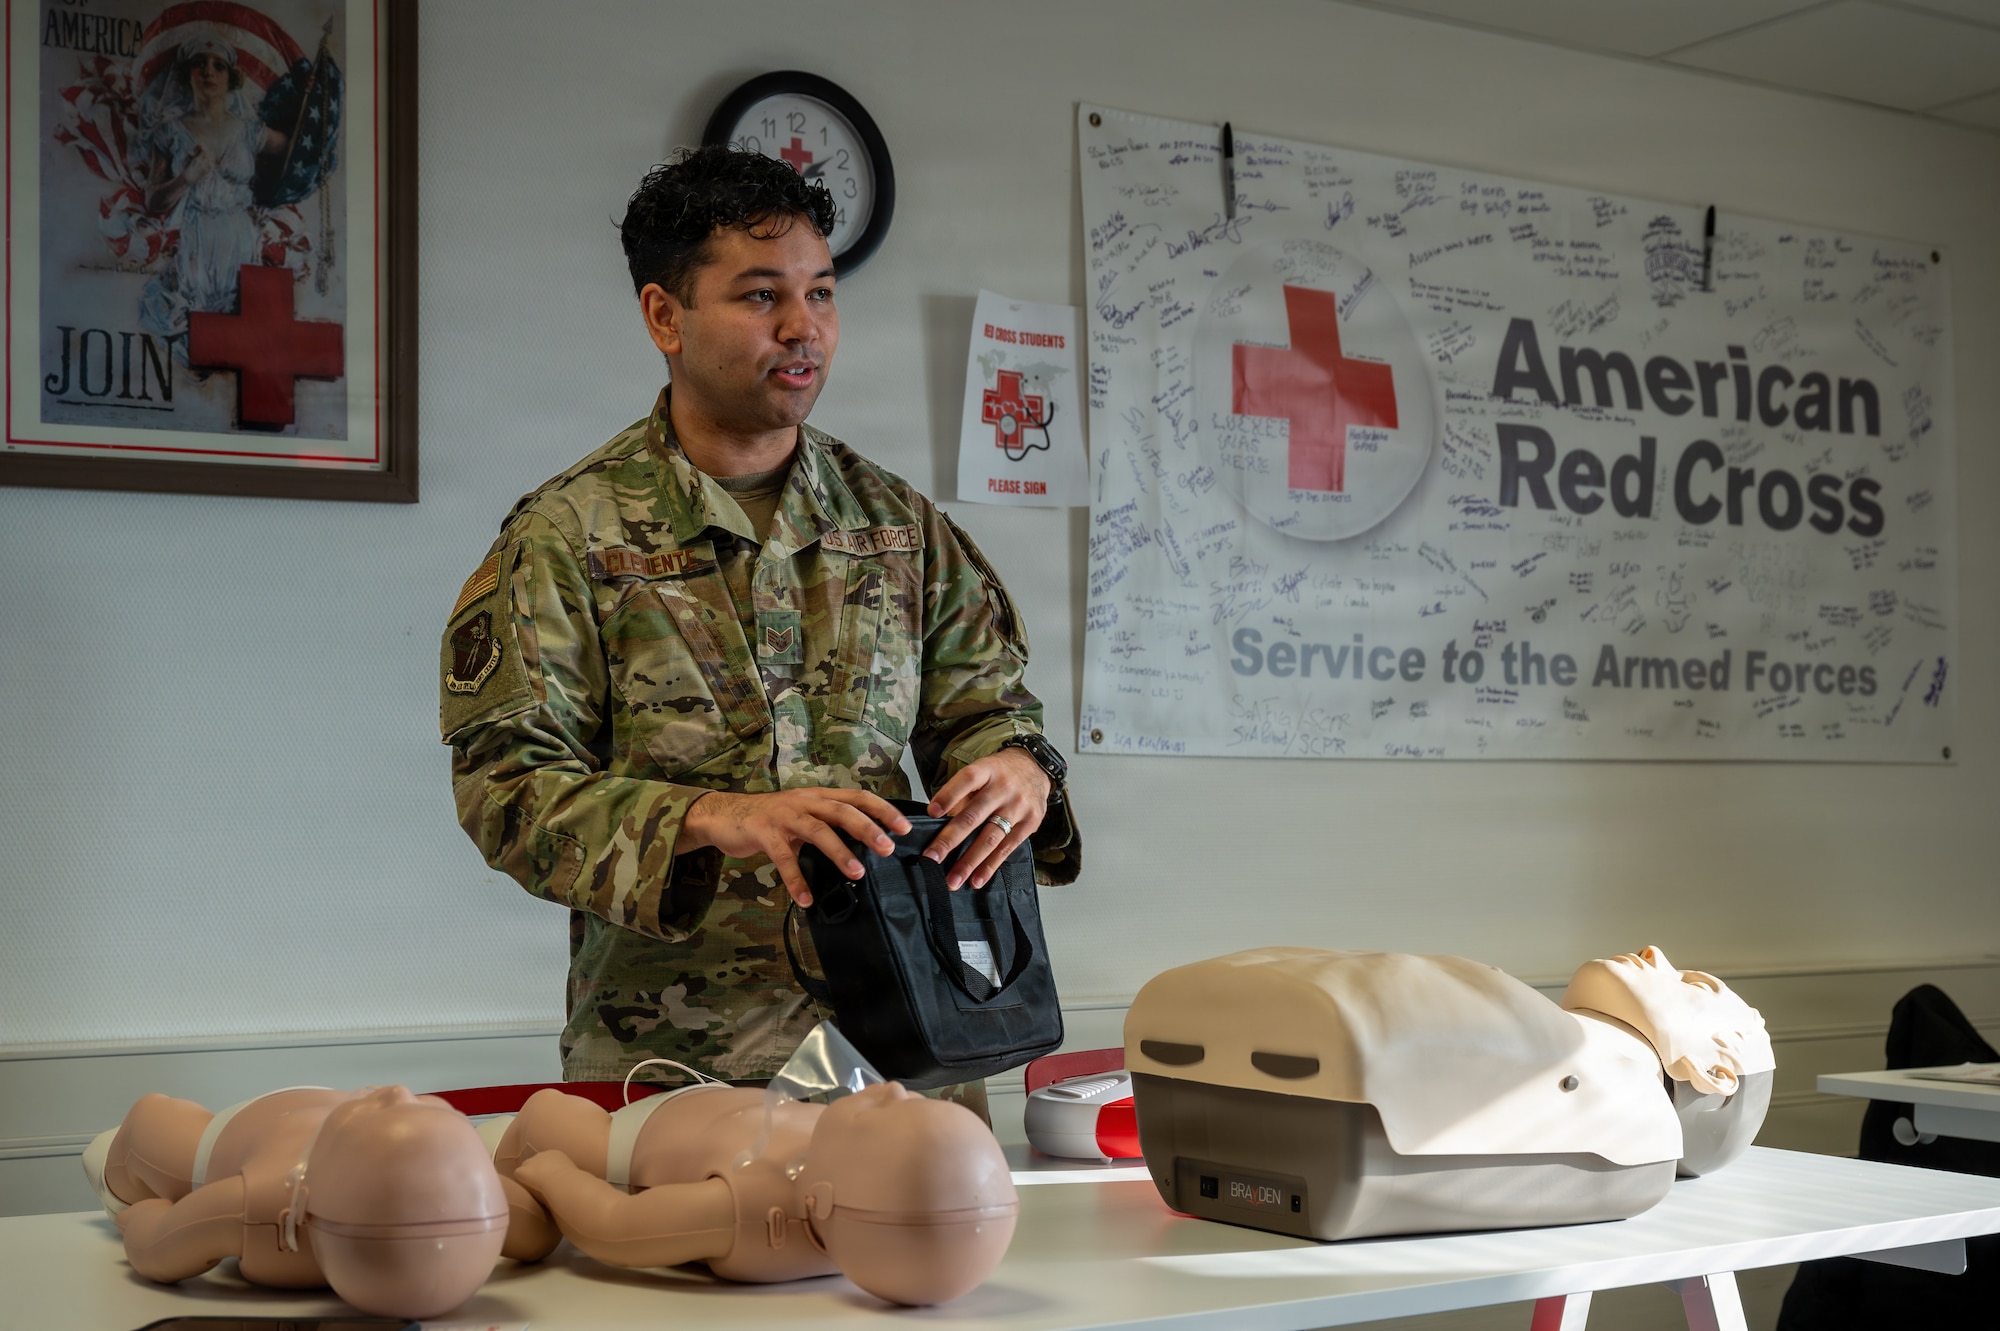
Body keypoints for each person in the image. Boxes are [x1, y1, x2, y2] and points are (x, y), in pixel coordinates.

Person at [440, 147, 1080, 1099]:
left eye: (821, 294)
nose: (802, 328)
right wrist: (716, 817)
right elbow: (510, 794)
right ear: (665, 315)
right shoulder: (569, 536)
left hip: (905, 1051)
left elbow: (989, 708)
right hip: (678, 1064)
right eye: (759, 297)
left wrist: (1019, 767)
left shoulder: (898, 527)